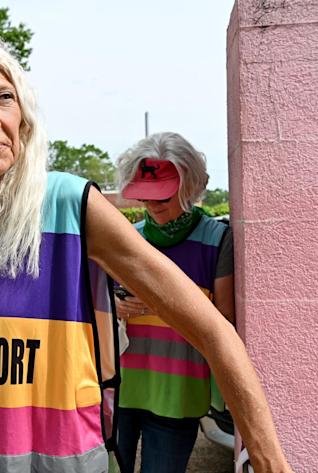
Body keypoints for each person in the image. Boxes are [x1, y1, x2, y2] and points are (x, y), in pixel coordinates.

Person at [0, 31, 292, 473]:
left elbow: (214, 330)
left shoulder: (68, 208)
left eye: (3, 97)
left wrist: (269, 460)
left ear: (23, 119)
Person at [113, 132, 235, 473]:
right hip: (121, 386)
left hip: (178, 390)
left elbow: (225, 320)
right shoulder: (127, 238)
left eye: (163, 194)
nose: (153, 204)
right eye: (146, 195)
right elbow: (94, 304)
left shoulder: (216, 239)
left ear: (189, 185)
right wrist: (112, 305)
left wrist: (162, 302)